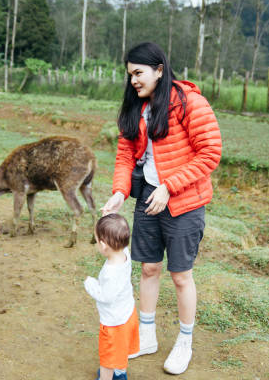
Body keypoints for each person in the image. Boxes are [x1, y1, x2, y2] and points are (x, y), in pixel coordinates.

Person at [101, 42, 222, 375]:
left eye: (139, 73)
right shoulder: (136, 108)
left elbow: (210, 153)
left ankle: (184, 342)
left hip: (183, 201)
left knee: (181, 276)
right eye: (130, 75)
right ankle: (148, 335)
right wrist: (120, 192)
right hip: (148, 201)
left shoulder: (189, 103)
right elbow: (126, 155)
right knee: (149, 269)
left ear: (159, 69)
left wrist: (169, 187)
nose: (134, 81)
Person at [84, 214, 139, 380]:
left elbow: (106, 296)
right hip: (128, 314)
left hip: (114, 323)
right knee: (121, 349)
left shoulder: (110, 272)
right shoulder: (125, 254)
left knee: (107, 360)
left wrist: (90, 284)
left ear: (103, 245)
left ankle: (107, 377)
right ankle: (120, 373)